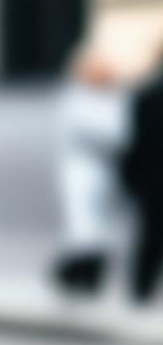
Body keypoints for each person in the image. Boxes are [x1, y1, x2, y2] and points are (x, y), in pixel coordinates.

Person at [50, 43, 133, 296]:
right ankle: (75, 275)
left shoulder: (113, 97)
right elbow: (110, 133)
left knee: (99, 227)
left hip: (105, 169)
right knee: (84, 225)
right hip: (83, 168)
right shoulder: (76, 99)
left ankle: (89, 276)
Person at [119, 39, 163, 304]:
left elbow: (133, 143)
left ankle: (140, 291)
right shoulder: (147, 96)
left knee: (150, 237)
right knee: (150, 237)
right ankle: (140, 290)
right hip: (152, 179)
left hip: (150, 180)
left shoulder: (145, 95)